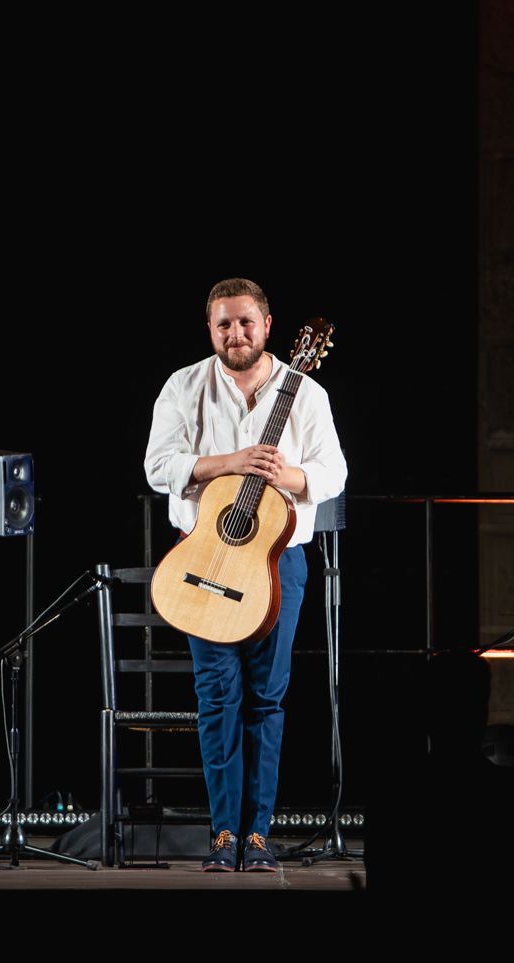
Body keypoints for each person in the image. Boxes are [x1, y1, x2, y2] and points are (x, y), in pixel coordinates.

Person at [144, 277, 347, 873]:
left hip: (275, 562)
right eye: (224, 324)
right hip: (202, 557)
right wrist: (229, 463)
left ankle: (257, 835)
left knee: (265, 699)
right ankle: (223, 834)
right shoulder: (183, 385)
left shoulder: (306, 391)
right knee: (216, 697)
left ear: (267, 325)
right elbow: (158, 466)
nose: (235, 333)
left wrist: (286, 475)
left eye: (245, 322)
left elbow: (333, 474)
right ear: (211, 329)